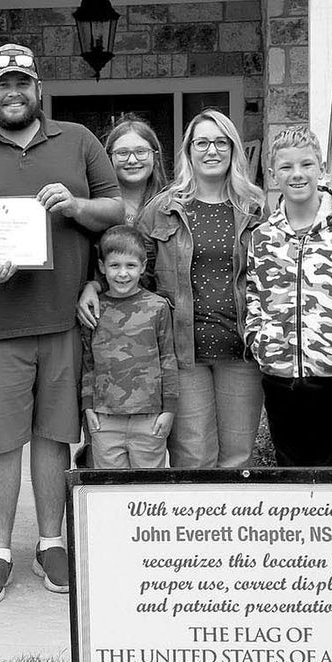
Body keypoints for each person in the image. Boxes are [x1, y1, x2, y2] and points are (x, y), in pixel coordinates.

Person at [0, 43, 123, 605]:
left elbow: (115, 209)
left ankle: (51, 541)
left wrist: (75, 206)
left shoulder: (78, 140)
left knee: (55, 435)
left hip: (61, 319)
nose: (13, 93)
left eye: (23, 83)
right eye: (2, 84)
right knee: (1, 438)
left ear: (38, 89)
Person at [245, 127, 332, 467]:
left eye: (306, 165)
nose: (297, 174)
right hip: (280, 376)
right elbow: (252, 294)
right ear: (273, 173)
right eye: (286, 167)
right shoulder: (263, 236)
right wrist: (257, 339)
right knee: (289, 470)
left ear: (320, 169)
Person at [138, 109, 265, 468]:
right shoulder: (164, 210)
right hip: (184, 352)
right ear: (189, 151)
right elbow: (139, 278)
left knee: (239, 458)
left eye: (221, 142)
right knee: (193, 457)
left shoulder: (255, 208)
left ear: (233, 150)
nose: (212, 151)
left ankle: (233, 525)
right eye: (202, 142)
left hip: (241, 350)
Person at [74, 116, 168, 467]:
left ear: (155, 155)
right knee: (104, 439)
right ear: (108, 157)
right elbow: (84, 259)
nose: (132, 159)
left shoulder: (170, 203)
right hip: (104, 330)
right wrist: (92, 284)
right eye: (122, 152)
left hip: (156, 331)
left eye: (141, 151)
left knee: (152, 441)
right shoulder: (94, 207)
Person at [81, 225, 177, 468]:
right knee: (110, 489)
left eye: (130, 266)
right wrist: (88, 407)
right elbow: (87, 360)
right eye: (115, 266)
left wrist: (169, 410)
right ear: (103, 267)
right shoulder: (94, 308)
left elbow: (168, 358)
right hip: (105, 418)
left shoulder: (158, 307)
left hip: (149, 418)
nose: (122, 274)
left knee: (148, 490)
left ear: (143, 267)